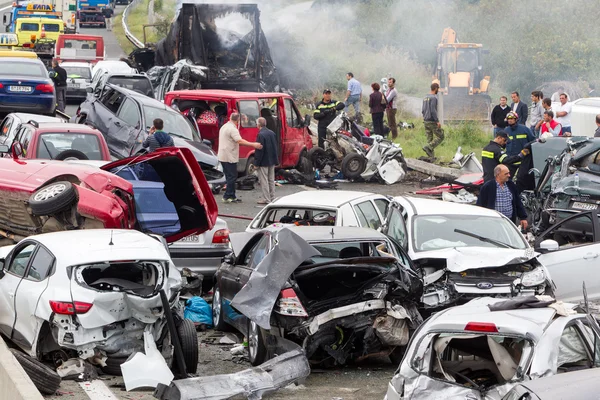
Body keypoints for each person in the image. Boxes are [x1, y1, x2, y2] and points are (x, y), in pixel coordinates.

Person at [217, 113, 262, 203]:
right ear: (238, 120)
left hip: (222, 155)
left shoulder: (224, 126)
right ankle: (227, 196)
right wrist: (253, 144)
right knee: (232, 176)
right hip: (229, 156)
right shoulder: (232, 129)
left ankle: (232, 195)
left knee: (230, 176)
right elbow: (239, 141)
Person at [477, 164, 528, 230]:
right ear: (498, 175)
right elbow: (480, 205)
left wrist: (523, 217)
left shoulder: (511, 185)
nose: (509, 175)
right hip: (493, 223)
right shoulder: (488, 186)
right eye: (506, 174)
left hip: (509, 222)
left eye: (509, 173)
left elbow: (518, 202)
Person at [254, 117, 278, 205]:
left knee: (264, 181)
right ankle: (272, 197)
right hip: (272, 160)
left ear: (259, 125)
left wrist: (256, 163)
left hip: (263, 161)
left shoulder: (261, 135)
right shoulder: (272, 133)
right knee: (271, 180)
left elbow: (259, 150)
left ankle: (266, 199)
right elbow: (275, 147)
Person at [422, 83, 443, 158]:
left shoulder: (425, 97)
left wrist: (425, 118)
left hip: (425, 120)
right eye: (438, 88)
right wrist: (437, 121)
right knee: (441, 136)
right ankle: (428, 147)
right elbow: (433, 110)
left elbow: (423, 110)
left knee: (429, 139)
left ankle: (431, 157)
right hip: (432, 120)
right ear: (436, 88)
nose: (438, 90)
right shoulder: (434, 98)